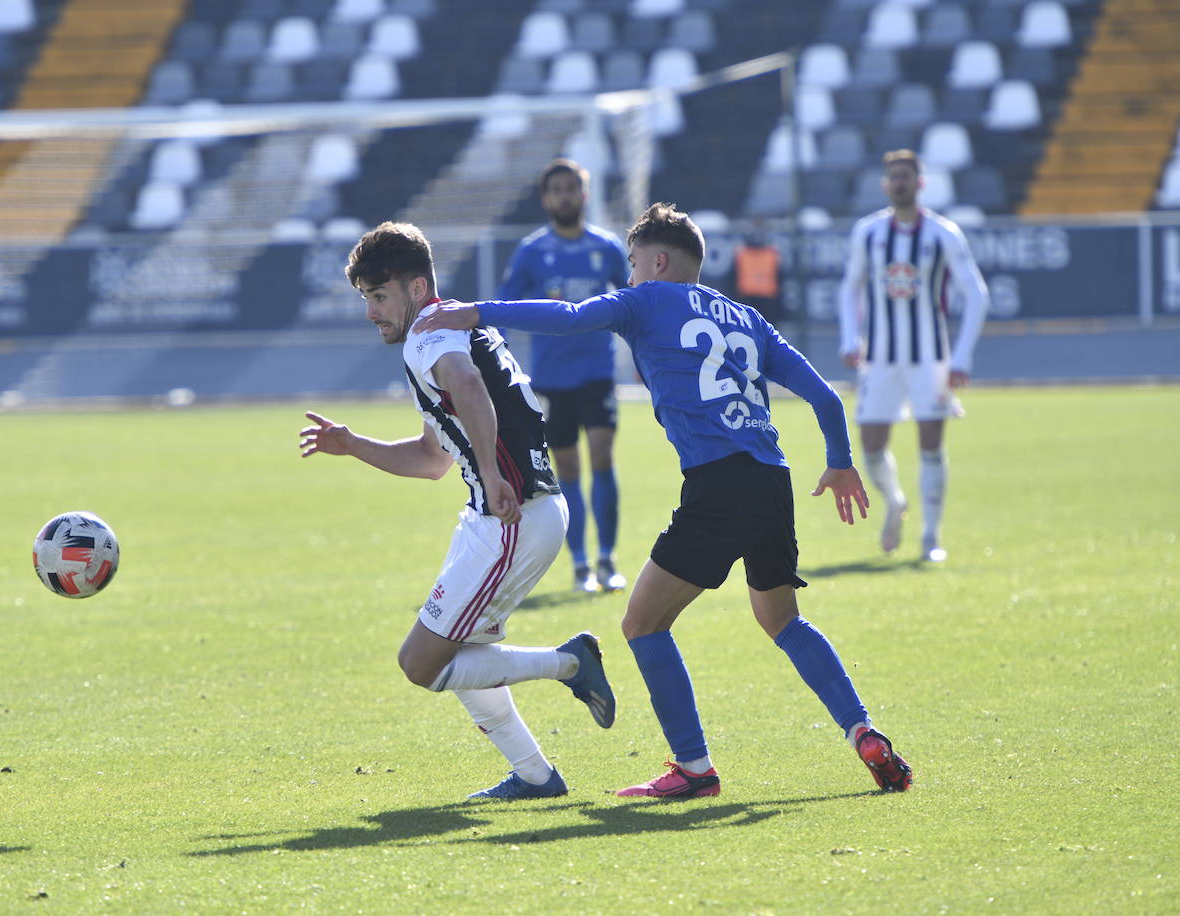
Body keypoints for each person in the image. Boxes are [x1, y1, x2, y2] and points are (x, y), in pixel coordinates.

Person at [416, 203, 913, 797]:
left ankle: (694, 770)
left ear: (656, 262)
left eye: (632, 264)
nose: (628, 278)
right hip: (770, 478)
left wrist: (476, 312)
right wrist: (839, 461)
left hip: (717, 481)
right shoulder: (749, 319)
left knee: (643, 622)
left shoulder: (646, 300)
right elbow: (827, 399)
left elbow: (570, 317)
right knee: (783, 620)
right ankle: (862, 731)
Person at [299, 221, 616, 801]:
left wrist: (494, 476)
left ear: (417, 288)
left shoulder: (429, 333)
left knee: (421, 663)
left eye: (378, 296)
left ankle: (569, 663)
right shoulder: (452, 328)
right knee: (463, 651)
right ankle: (535, 776)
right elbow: (430, 458)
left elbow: (468, 386)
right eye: (365, 298)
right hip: (501, 516)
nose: (371, 312)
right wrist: (353, 445)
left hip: (512, 517)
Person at [838, 149, 990, 563]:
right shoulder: (867, 233)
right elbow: (849, 287)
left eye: (907, 176)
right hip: (881, 359)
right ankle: (895, 501)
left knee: (931, 445)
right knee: (869, 446)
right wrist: (850, 338)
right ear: (886, 185)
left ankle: (930, 537)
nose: (900, 183)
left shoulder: (943, 234)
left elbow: (976, 294)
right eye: (894, 177)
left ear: (920, 183)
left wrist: (961, 358)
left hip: (930, 359)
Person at [498, 159, 632, 593]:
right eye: (556, 189)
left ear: (585, 193)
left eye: (572, 188)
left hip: (596, 372)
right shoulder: (532, 251)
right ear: (545, 198)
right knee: (568, 468)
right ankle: (579, 566)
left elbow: (634, 297)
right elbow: (504, 306)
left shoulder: (608, 247)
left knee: (603, 457)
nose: (565, 196)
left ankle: (608, 560)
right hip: (551, 379)